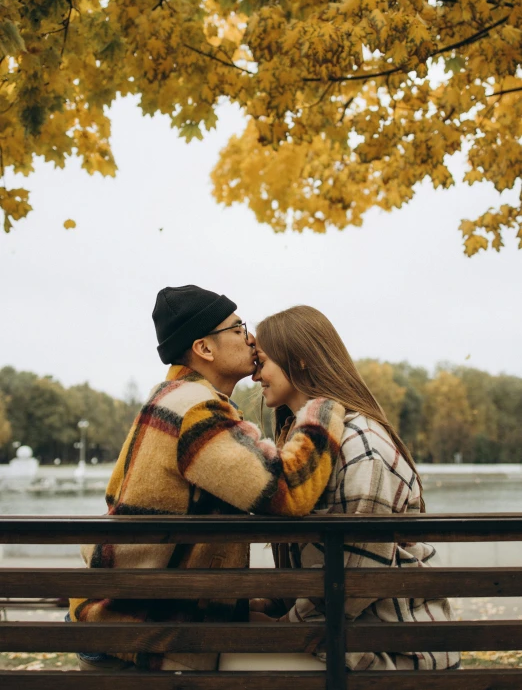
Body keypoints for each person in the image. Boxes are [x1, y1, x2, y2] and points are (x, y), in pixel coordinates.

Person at [69, 286, 345, 673]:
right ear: (205, 348)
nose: (250, 339)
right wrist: (324, 405)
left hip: (124, 615)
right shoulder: (195, 410)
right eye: (238, 328)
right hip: (141, 636)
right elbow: (288, 493)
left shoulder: (172, 397)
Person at [246, 304, 460, 672]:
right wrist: (269, 607)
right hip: (353, 639)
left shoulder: (360, 444)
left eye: (262, 363)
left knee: (214, 662)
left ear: (297, 361)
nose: (255, 377)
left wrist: (281, 629)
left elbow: (357, 573)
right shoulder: (309, 444)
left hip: (396, 653)